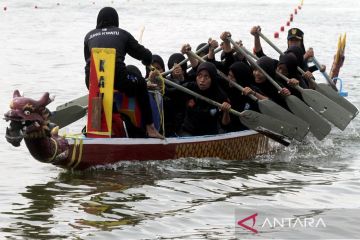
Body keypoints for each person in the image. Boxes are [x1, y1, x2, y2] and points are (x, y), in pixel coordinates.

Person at [83, 6, 163, 139]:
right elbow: (145, 54)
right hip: (118, 79)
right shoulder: (122, 34)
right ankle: (150, 128)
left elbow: (88, 61)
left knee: (99, 80)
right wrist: (147, 61)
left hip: (92, 81)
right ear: (116, 20)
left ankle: (96, 129)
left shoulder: (88, 36)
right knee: (141, 83)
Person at [179, 62, 231, 136]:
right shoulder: (190, 87)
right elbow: (171, 91)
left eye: (206, 77)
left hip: (209, 134)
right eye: (199, 76)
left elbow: (225, 125)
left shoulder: (220, 96)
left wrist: (226, 112)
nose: (202, 80)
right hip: (188, 131)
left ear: (212, 78)